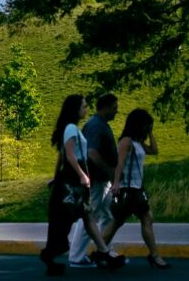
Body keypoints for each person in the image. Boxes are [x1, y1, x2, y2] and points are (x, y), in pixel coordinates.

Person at [40, 94, 125, 276]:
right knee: (73, 218)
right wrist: (82, 176)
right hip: (74, 179)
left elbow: (61, 155)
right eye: (84, 106)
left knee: (87, 216)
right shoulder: (71, 128)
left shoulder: (72, 128)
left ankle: (103, 252)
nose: (86, 109)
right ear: (75, 109)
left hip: (72, 177)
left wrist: (56, 177)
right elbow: (69, 155)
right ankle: (55, 254)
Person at [102, 109, 171, 269]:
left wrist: (151, 132)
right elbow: (119, 163)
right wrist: (116, 183)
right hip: (128, 188)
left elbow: (154, 150)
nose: (148, 127)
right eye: (146, 124)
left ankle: (154, 256)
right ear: (138, 124)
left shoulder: (138, 142)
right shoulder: (126, 141)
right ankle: (154, 256)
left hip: (137, 188)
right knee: (120, 221)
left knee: (142, 219)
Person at [67, 94, 120, 268]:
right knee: (89, 216)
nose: (116, 111)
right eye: (114, 107)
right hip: (97, 179)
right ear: (104, 107)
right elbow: (92, 153)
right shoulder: (96, 126)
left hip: (102, 180)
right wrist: (109, 171)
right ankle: (76, 256)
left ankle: (104, 250)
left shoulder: (99, 125)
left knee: (106, 215)